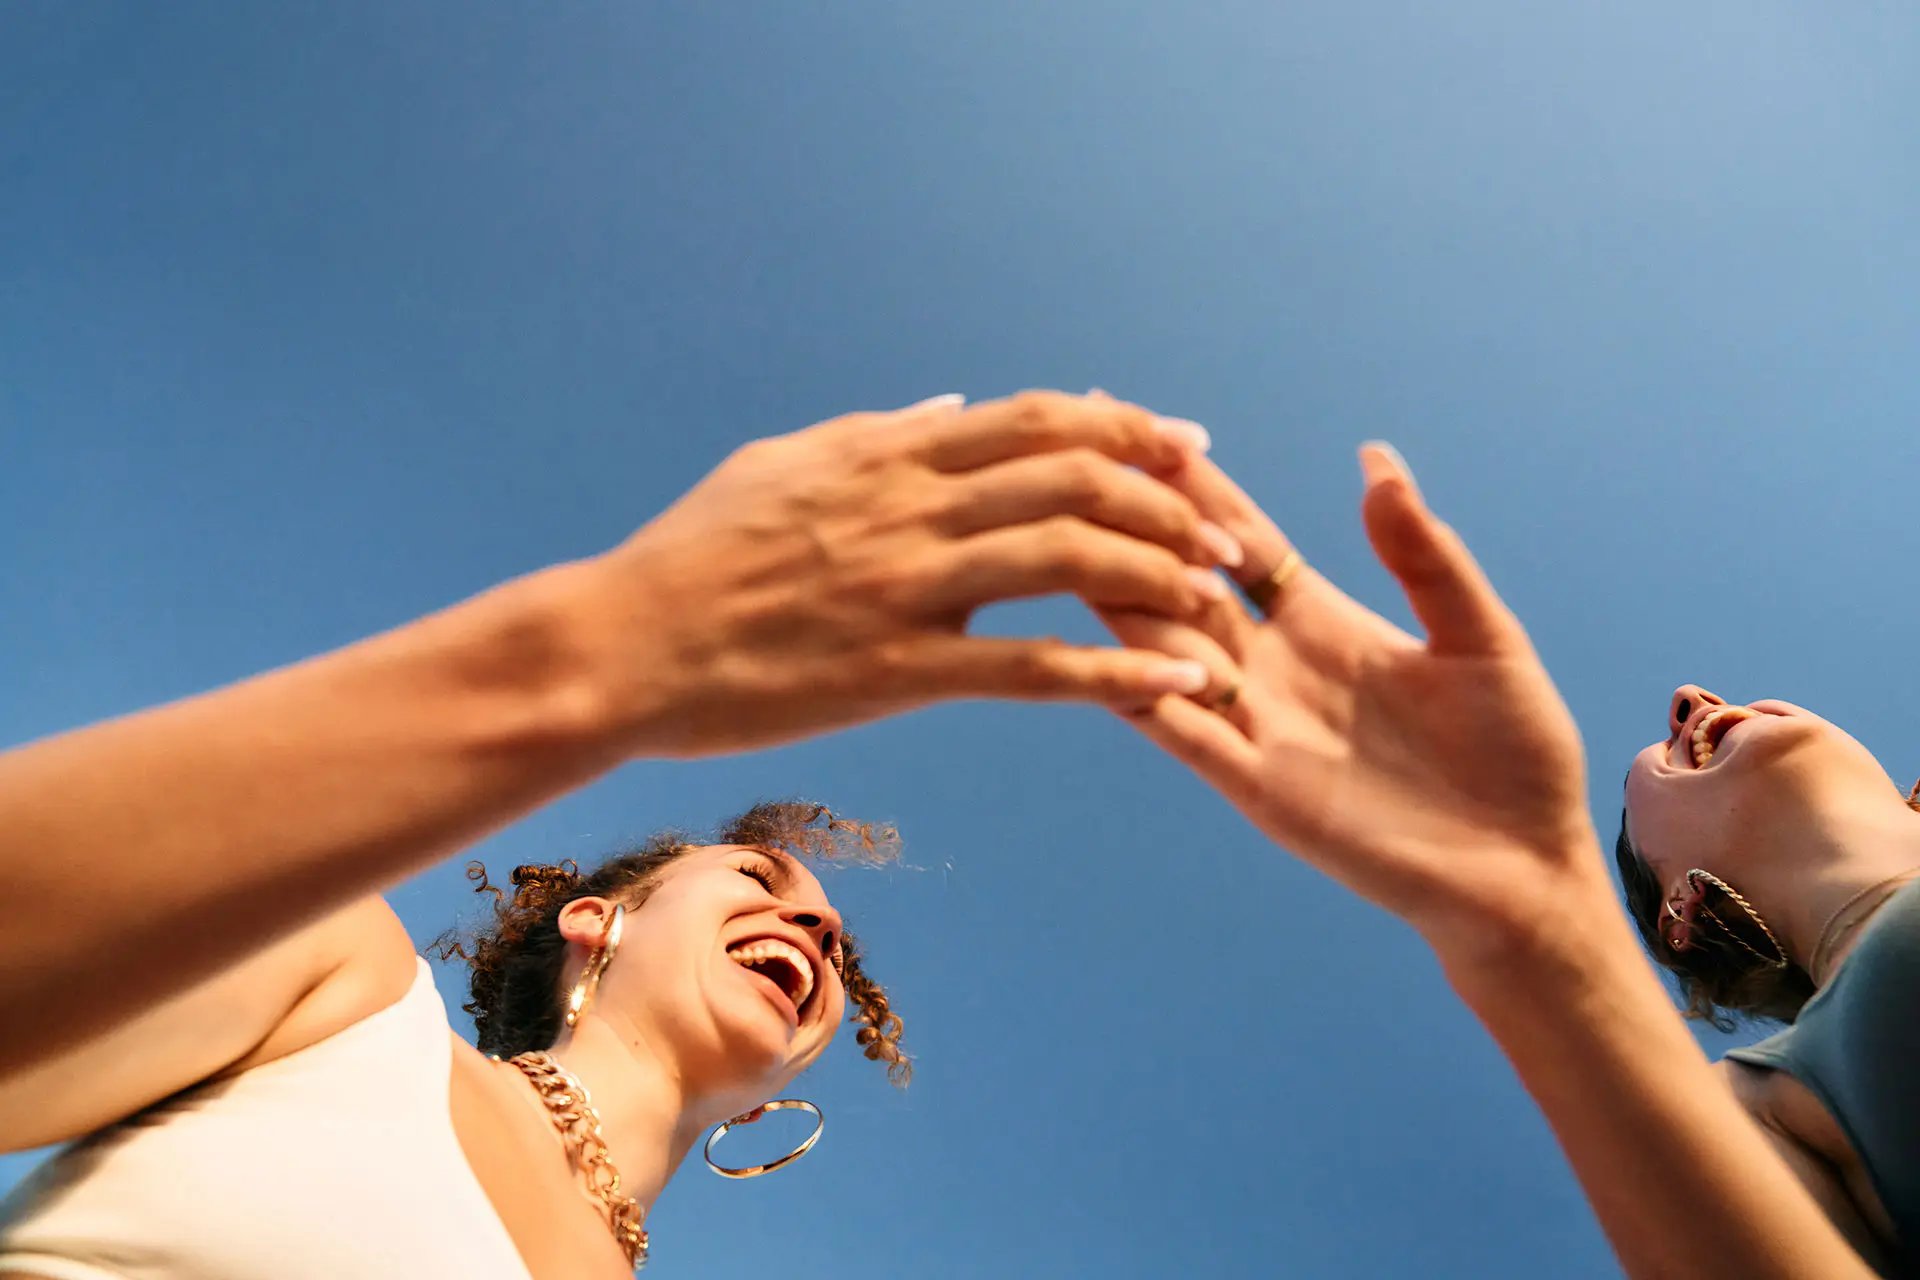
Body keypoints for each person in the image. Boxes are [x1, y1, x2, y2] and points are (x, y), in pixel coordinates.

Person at [0, 390, 1235, 1278]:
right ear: (600, 919)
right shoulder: (342, 997)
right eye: (759, 877)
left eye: (834, 942)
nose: (816, 926)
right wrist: (608, 654)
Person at [1099, 441, 1915, 1278]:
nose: (1690, 702)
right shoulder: (1761, 1114)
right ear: (1682, 911)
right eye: (1647, 774)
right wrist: (1538, 918)